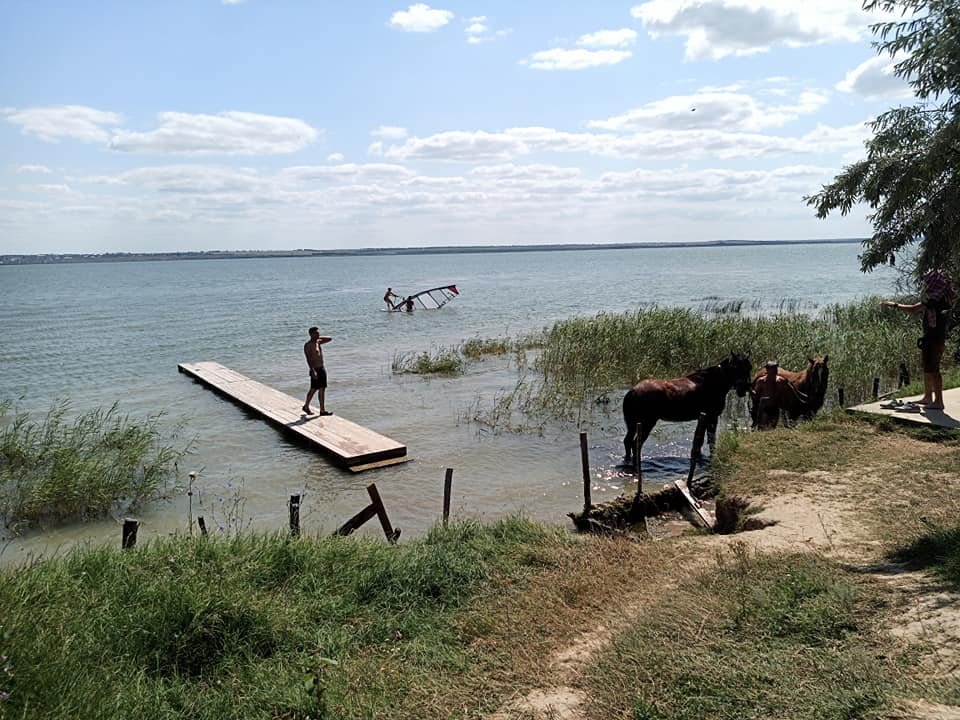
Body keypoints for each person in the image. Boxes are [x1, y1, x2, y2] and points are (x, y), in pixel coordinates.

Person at [881, 269, 956, 411]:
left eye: (927, 281)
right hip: (932, 338)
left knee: (934, 370)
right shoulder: (943, 297)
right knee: (928, 368)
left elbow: (913, 309)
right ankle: (928, 397)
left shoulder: (934, 299)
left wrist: (894, 305)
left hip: (934, 338)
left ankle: (938, 401)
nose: (925, 284)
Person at [303, 326, 333, 416]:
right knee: (313, 389)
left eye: (318, 333)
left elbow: (330, 338)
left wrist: (318, 338)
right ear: (311, 334)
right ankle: (306, 406)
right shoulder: (308, 345)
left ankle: (322, 410)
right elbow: (308, 359)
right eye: (316, 333)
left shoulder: (318, 342)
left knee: (322, 389)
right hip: (315, 369)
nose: (318, 334)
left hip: (321, 368)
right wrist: (312, 371)